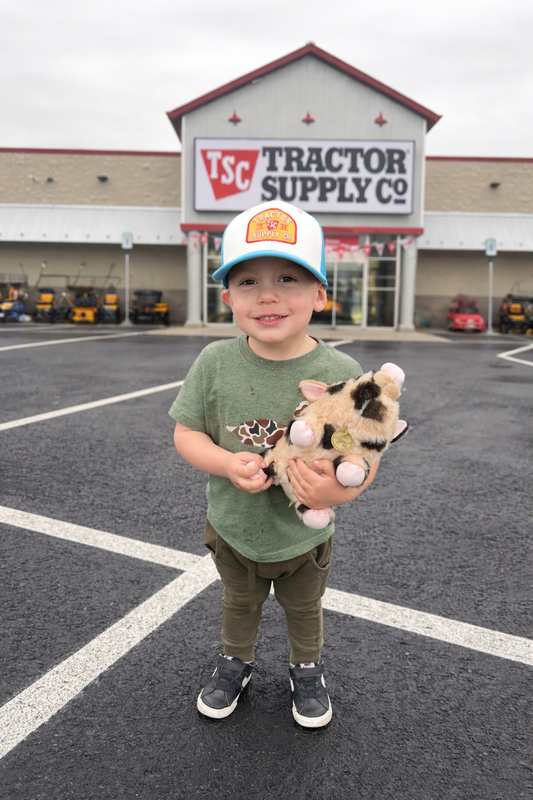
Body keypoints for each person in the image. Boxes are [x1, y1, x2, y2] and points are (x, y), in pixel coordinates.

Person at [169, 200, 379, 728]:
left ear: (320, 293)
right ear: (227, 298)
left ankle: (306, 669)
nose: (267, 295)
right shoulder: (215, 362)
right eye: (248, 281)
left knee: (304, 606)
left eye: (288, 277)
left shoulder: (341, 371)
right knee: (239, 602)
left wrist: (337, 493)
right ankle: (235, 662)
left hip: (303, 535)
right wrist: (224, 462)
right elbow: (186, 433)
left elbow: (362, 453)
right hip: (233, 526)